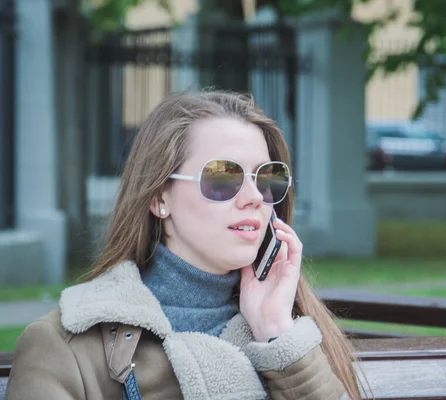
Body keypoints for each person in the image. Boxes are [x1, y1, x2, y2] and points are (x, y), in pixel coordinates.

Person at [5, 91, 365, 400]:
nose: (255, 196)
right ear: (160, 197)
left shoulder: (293, 331)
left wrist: (276, 332)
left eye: (267, 177)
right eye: (224, 177)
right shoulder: (64, 347)